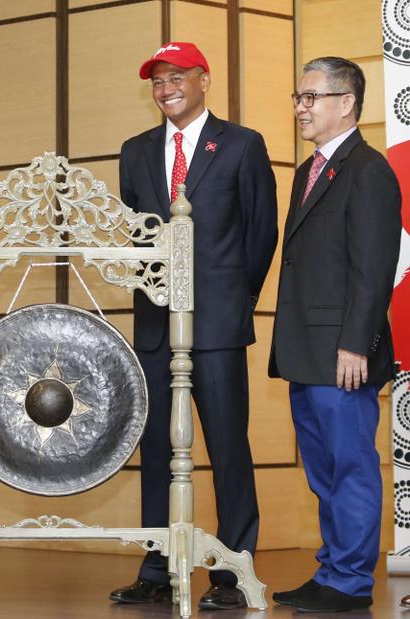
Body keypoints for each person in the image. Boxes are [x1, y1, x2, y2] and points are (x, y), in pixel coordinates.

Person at [109, 42, 278, 610]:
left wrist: (236, 299)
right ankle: (156, 569)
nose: (166, 89)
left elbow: (261, 232)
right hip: (155, 327)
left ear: (203, 80)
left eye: (177, 77)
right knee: (156, 448)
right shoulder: (135, 151)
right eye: (158, 81)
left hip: (218, 325)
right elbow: (135, 239)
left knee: (227, 448)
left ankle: (231, 573)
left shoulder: (242, 144)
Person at [269, 57, 401, 613]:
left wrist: (355, 343)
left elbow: (374, 268)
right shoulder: (310, 169)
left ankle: (350, 583)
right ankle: (331, 570)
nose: (301, 108)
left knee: (350, 468)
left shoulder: (368, 170)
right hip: (305, 349)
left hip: (342, 352)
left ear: (346, 103)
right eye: (298, 98)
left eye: (311, 97)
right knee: (324, 471)